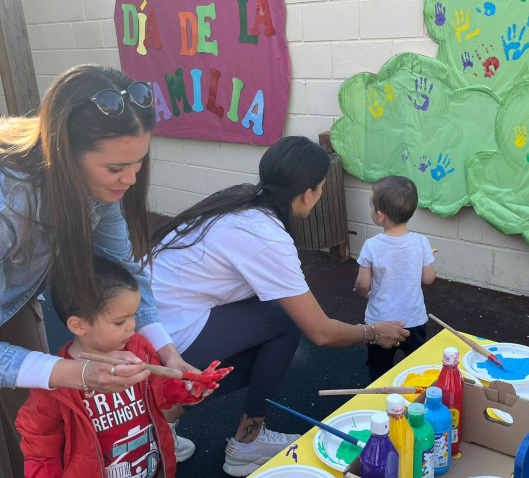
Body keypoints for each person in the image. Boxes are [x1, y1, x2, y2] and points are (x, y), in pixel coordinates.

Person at [0, 65, 198, 478]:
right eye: (116, 168)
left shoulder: (91, 176)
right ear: (65, 156)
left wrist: (167, 350)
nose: (131, 179)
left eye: (138, 162)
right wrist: (81, 373)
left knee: (37, 413)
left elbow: (125, 270)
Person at [149, 136, 411, 477]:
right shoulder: (265, 235)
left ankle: (161, 423)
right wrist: (372, 332)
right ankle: (247, 443)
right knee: (285, 322)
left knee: (266, 343)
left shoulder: (242, 199)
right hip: (163, 339)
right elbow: (321, 332)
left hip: (145, 324)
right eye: (321, 187)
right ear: (308, 193)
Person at [16, 256, 222, 478]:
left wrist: (185, 389)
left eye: (133, 315)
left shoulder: (139, 348)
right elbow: (40, 441)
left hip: (151, 466)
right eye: (120, 321)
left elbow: (159, 392)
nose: (132, 326)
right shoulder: (56, 379)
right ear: (79, 325)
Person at [353, 176, 436, 382]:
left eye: (371, 205)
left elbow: (362, 284)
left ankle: (381, 396)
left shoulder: (371, 245)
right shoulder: (421, 242)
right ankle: (414, 397)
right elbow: (428, 278)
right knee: (416, 368)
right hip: (414, 319)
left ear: (380, 215)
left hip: (380, 321)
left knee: (379, 368)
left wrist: (363, 293)